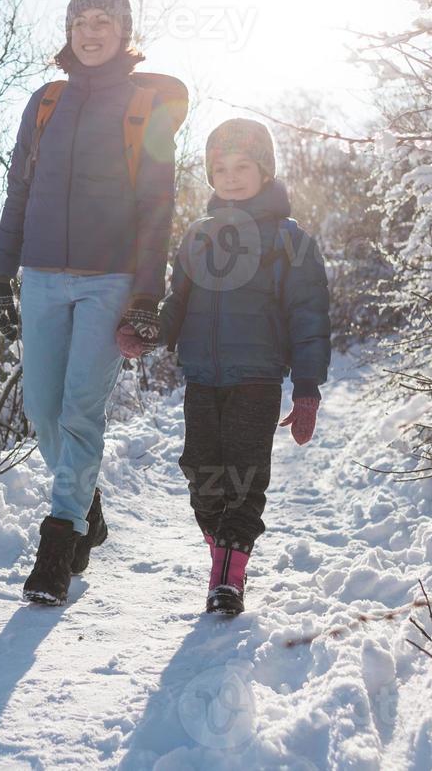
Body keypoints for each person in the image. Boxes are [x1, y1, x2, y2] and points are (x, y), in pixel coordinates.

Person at [0, 0, 177, 606]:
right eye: (80, 21)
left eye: (103, 20)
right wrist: (0, 273)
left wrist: (148, 295)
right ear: (68, 32)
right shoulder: (45, 102)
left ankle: (60, 541)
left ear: (124, 31)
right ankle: (86, 504)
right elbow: (19, 191)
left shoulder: (145, 107)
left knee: (79, 410)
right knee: (42, 409)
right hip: (41, 274)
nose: (90, 32)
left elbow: (157, 207)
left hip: (110, 280)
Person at [124, 117, 330, 616]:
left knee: (244, 476)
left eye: (243, 166)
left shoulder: (290, 239)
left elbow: (309, 316)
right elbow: (180, 300)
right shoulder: (198, 235)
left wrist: (307, 388)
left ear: (265, 171)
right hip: (201, 376)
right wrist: (153, 331)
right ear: (210, 175)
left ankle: (228, 577)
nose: (232, 176)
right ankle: (222, 556)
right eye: (221, 167)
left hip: (257, 378)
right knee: (201, 472)